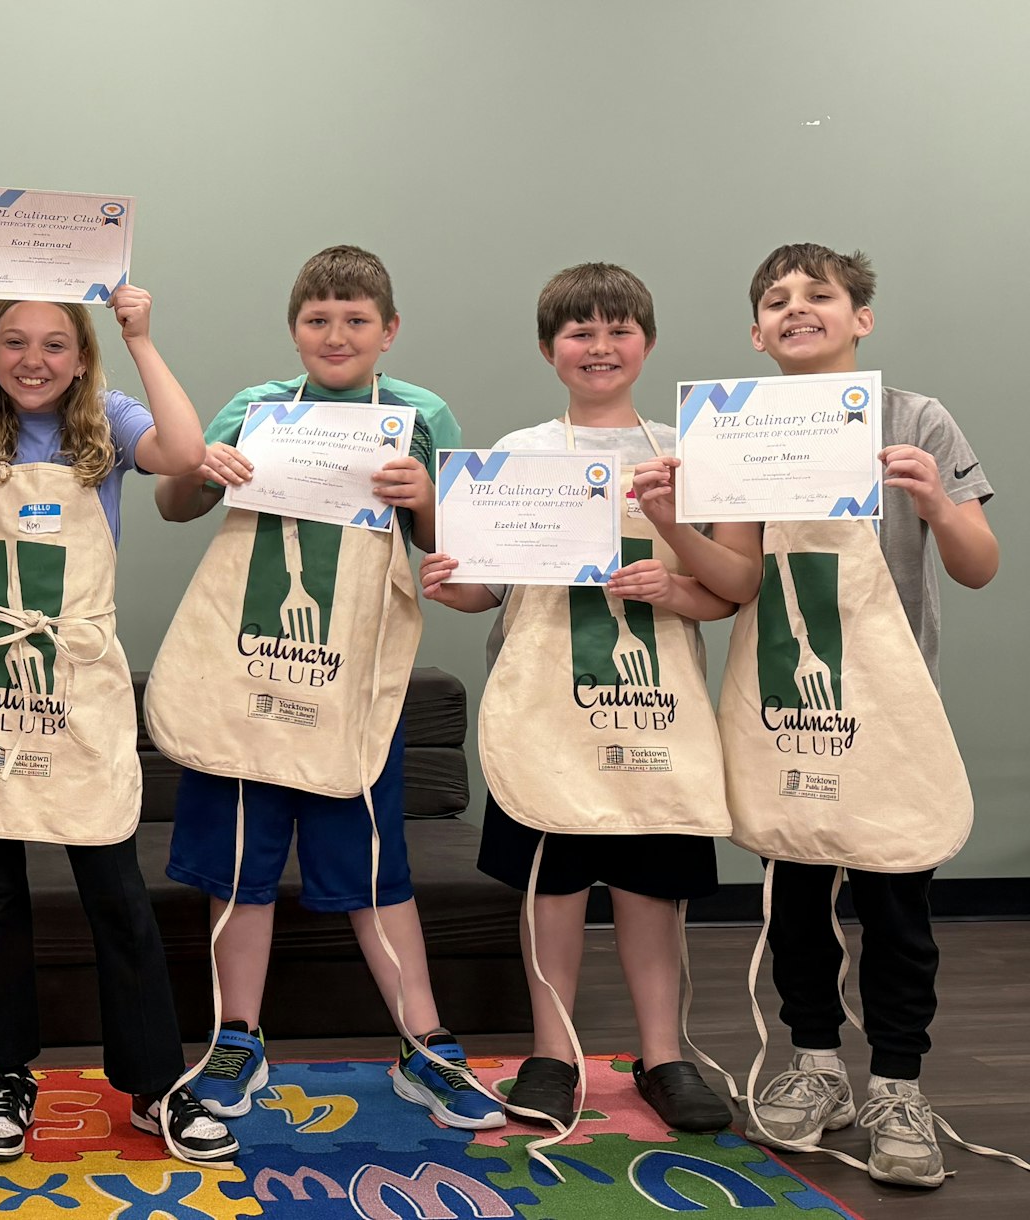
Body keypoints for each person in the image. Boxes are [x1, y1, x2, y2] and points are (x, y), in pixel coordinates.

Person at [152, 245, 502, 1132]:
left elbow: (449, 544)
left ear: (389, 331)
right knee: (237, 867)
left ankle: (426, 1048)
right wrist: (207, 468)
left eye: (355, 320)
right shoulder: (256, 407)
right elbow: (174, 505)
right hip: (248, 667)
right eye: (318, 319)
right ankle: (238, 1041)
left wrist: (425, 497)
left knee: (376, 870)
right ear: (294, 328)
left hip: (349, 681)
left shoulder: (421, 414)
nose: (336, 334)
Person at [672, 245, 999, 1188]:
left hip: (893, 716)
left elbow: (980, 565)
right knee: (796, 906)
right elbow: (735, 584)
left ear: (862, 318)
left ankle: (899, 1085)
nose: (797, 309)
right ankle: (817, 1068)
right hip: (787, 709)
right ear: (754, 332)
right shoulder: (734, 428)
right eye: (776, 301)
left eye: (821, 295)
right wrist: (678, 521)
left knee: (898, 908)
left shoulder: (916, 420)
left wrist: (936, 501)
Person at [0, 279, 238, 1168]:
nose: (33, 361)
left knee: (116, 893)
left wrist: (143, 338)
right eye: (13, 342)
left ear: (83, 357)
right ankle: (8, 1077)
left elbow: (187, 451)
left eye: (55, 344)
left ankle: (156, 1083)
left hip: (78, 684)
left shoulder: (112, 421)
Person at [419, 263, 735, 1133]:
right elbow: (496, 588)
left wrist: (672, 589)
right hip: (543, 716)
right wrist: (458, 585)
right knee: (549, 892)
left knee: (649, 894)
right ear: (549, 349)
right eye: (579, 333)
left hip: (654, 713)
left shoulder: (685, 455)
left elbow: (726, 593)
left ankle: (664, 1055)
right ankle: (551, 1053)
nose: (600, 347)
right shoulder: (518, 455)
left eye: (618, 329)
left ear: (649, 342)